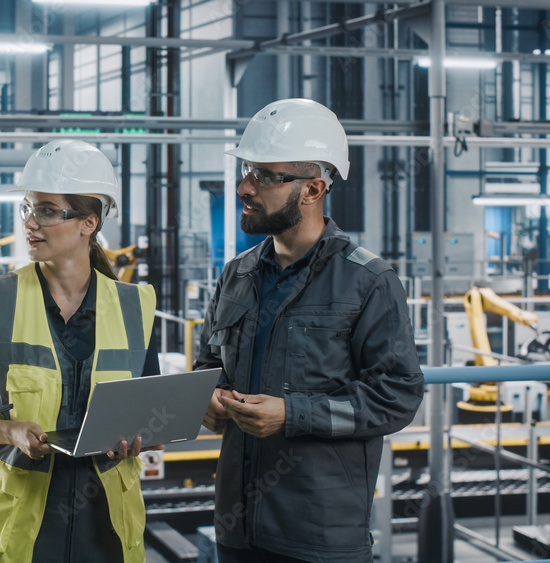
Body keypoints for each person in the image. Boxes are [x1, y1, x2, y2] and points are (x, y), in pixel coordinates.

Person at [194, 98, 425, 563]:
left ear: (313, 188)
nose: (244, 187)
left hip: (318, 535)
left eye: (263, 175)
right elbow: (210, 366)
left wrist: (293, 415)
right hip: (237, 528)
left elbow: (396, 397)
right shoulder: (236, 274)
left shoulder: (368, 282)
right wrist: (209, 399)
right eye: (245, 170)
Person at [0, 139, 160, 563]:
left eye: (46, 211)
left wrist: (140, 438)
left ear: (89, 222)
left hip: (107, 531)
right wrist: (9, 431)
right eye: (27, 208)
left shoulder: (136, 305)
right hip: (15, 528)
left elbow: (153, 416)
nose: (30, 222)